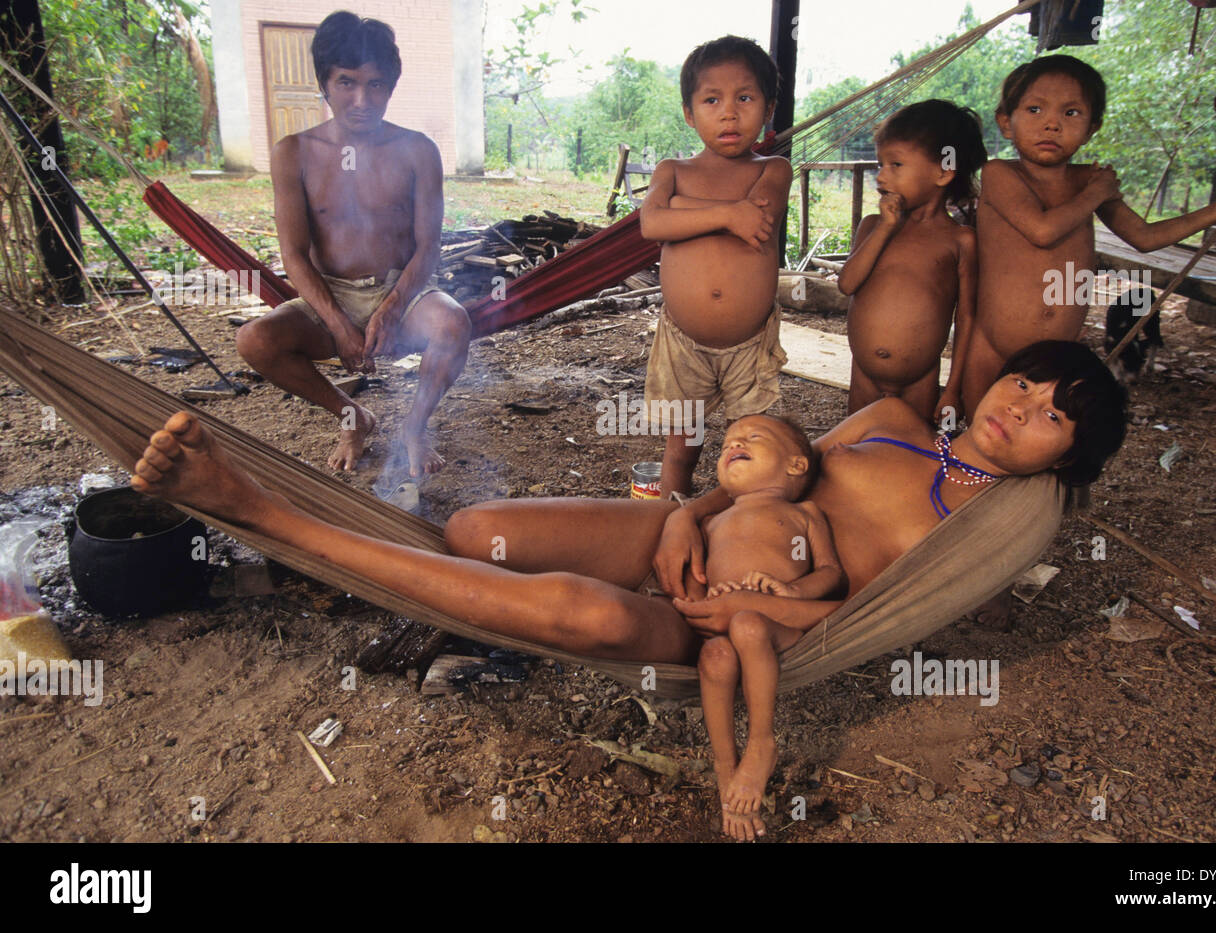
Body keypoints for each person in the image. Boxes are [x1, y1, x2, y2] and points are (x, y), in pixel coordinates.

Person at [128, 342, 1126, 835]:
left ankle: (266, 516)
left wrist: (744, 611)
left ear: (1065, 458)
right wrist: (685, 513)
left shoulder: (989, 528)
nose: (1022, 409)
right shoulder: (888, 420)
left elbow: (849, 616)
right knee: (481, 531)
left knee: (588, 614)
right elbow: (767, 474)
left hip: (730, 615)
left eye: (1052, 418)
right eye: (1025, 386)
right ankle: (443, 601)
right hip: (685, 532)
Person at [962, 55, 1216, 415]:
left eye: (1071, 113)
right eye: (1034, 109)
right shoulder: (999, 174)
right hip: (992, 346)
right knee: (978, 438)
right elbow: (1042, 231)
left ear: (1092, 128)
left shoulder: (1089, 182)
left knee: (1040, 447)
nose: (1051, 124)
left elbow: (1145, 237)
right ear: (1006, 123)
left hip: (1060, 355)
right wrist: (1097, 192)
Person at [235, 11, 470, 475]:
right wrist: (339, 324)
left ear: (390, 88)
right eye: (347, 83)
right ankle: (353, 416)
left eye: (376, 85)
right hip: (329, 293)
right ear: (324, 83)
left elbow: (428, 248)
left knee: (454, 323)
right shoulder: (294, 153)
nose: (362, 100)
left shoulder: (418, 151)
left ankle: (414, 429)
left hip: (401, 288)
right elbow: (294, 258)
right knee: (255, 341)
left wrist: (392, 306)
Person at [639, 36, 794, 498]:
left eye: (745, 98)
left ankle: (748, 526)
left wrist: (681, 212)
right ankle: (671, 518)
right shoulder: (671, 168)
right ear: (689, 113)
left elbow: (758, 221)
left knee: (755, 447)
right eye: (712, 100)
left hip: (750, 346)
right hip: (683, 343)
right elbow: (651, 223)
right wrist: (729, 213)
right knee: (682, 446)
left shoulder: (774, 168)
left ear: (767, 109)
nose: (729, 113)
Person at [685, 414, 843, 841]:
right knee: (714, 657)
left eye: (753, 437)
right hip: (724, 626)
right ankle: (725, 767)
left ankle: (762, 742)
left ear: (795, 465)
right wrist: (708, 599)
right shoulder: (711, 522)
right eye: (726, 443)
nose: (734, 442)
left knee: (749, 623)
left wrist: (793, 592)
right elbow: (696, 580)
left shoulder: (803, 514)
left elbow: (830, 571)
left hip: (778, 626)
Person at [837, 100, 984, 424]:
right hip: (864, 374)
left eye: (896, 165)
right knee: (856, 454)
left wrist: (953, 389)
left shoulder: (960, 241)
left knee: (909, 457)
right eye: (880, 165)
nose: (881, 177)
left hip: (921, 380)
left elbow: (968, 318)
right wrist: (886, 228)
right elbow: (847, 284)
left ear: (943, 171)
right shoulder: (873, 226)